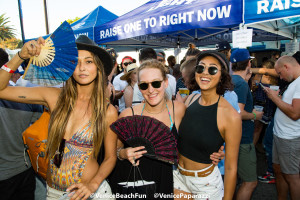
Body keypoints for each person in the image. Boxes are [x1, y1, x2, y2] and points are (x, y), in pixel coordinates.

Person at [0, 35, 118, 200]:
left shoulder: (107, 111)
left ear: (98, 68)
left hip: (91, 193)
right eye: (76, 62)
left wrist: (93, 184)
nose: (82, 67)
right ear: (69, 68)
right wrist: (20, 56)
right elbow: (1, 90)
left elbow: (110, 157)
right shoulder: (53, 97)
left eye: (89, 61)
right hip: (54, 193)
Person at [109, 59, 186, 199]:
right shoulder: (128, 115)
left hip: (168, 182)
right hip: (138, 185)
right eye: (144, 85)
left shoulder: (179, 109)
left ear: (166, 82)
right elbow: (113, 152)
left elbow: (189, 144)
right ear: (139, 87)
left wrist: (212, 153)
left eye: (156, 83)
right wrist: (123, 153)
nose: (151, 90)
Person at [174, 51, 242, 200]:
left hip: (205, 184)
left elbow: (231, 168)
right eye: (201, 68)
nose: (205, 73)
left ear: (222, 76)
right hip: (178, 177)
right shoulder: (191, 99)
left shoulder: (231, 116)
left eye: (212, 69)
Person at [0, 47, 44, 200]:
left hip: (15, 171)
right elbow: (39, 130)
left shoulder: (26, 95)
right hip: (25, 168)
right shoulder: (27, 96)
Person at [263, 55, 300, 200]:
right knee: (279, 170)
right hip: (281, 136)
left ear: (286, 67)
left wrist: (275, 98)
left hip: (289, 138)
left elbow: (295, 113)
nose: (281, 77)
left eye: (280, 73)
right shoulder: (295, 82)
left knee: (292, 176)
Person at [230, 48, 264, 200]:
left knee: (234, 179)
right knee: (250, 182)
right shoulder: (241, 85)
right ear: (249, 63)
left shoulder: (233, 81)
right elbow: (239, 113)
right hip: (243, 139)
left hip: (234, 137)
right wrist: (255, 115)